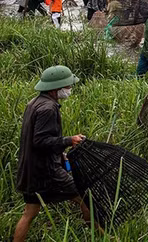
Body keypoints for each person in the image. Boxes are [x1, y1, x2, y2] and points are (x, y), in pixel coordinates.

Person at [14, 66, 96, 242]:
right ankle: (98, 235)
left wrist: (60, 154)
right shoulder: (48, 109)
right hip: (46, 172)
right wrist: (68, 140)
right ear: (55, 88)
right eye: (67, 86)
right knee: (85, 197)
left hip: (31, 170)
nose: (69, 89)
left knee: (29, 213)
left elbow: (36, 140)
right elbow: (41, 141)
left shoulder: (34, 103)